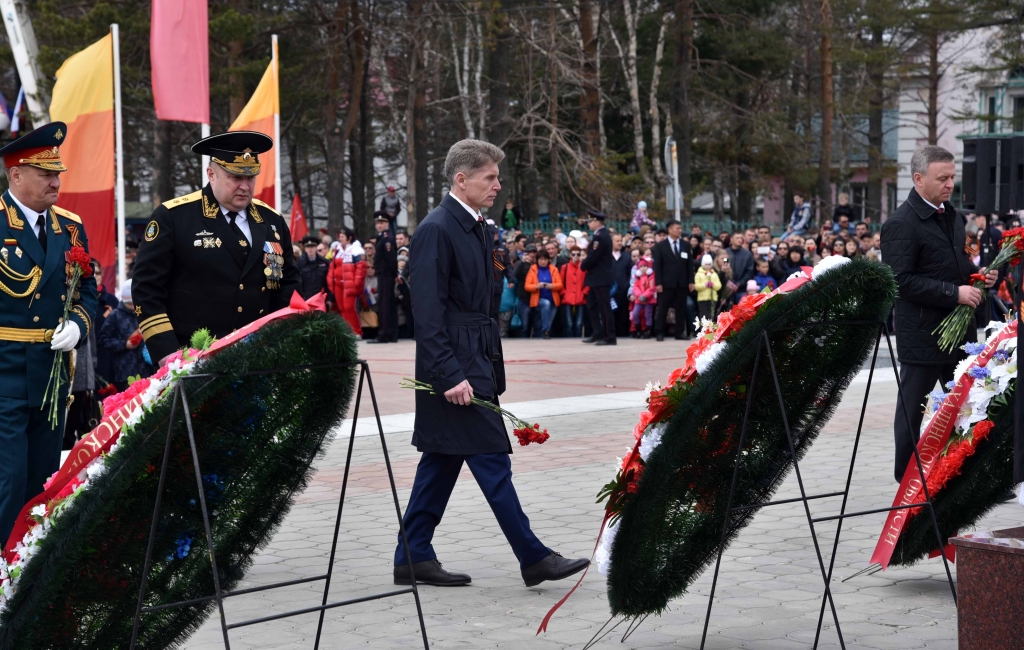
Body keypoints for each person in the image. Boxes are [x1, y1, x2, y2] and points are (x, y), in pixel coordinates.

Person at [397, 139, 588, 588]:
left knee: (441, 462)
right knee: (490, 459)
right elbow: (427, 312)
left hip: (473, 359)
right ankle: (534, 556)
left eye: (498, 177)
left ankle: (412, 554)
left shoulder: (479, 228)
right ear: (461, 179)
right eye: (490, 177)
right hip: (454, 370)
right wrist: (448, 374)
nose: (498, 186)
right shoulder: (437, 228)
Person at [0, 122, 99, 544]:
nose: (56, 182)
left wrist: (78, 325)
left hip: (53, 376)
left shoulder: (70, 227)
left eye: (57, 173)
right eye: (45, 174)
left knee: (43, 481)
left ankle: (28, 567)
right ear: (15, 175)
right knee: (8, 479)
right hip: (4, 375)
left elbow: (88, 291)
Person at [880, 145, 997, 483]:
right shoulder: (900, 224)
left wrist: (983, 272)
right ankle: (906, 478)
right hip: (923, 332)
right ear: (918, 179)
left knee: (967, 404)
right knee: (912, 409)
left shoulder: (954, 216)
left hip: (959, 332)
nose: (950, 184)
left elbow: (968, 253)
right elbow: (899, 281)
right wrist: (953, 293)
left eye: (952, 177)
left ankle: (965, 476)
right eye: (942, 178)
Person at [132, 131, 299, 365]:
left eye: (250, 178)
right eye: (235, 177)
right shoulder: (175, 217)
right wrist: (168, 353)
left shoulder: (271, 220)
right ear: (211, 174)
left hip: (258, 356)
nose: (244, 186)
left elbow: (288, 284)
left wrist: (285, 339)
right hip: (191, 357)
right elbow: (146, 289)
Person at [98, 280, 152, 392]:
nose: (133, 306)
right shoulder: (115, 315)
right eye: (129, 303)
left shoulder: (144, 313)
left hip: (146, 370)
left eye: (134, 303)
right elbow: (103, 340)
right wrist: (124, 344)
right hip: (124, 373)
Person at [652, 219, 694, 341]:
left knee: (681, 308)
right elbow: (657, 266)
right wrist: (658, 283)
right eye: (677, 228)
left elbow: (689, 265)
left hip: (682, 282)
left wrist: (691, 281)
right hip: (666, 283)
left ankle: (679, 332)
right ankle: (659, 332)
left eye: (680, 228)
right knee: (663, 307)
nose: (680, 230)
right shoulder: (660, 246)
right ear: (670, 230)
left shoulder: (685, 245)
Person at [580, 211, 616, 345]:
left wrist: (583, 265)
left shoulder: (600, 236)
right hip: (596, 277)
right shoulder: (599, 235)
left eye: (590, 221)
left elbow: (593, 256)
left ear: (597, 222)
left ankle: (609, 336)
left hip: (601, 277)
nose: (589, 224)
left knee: (604, 308)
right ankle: (597, 332)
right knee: (592, 305)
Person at [369, 211, 399, 343]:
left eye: (382, 222)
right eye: (377, 223)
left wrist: (394, 274)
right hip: (384, 274)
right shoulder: (382, 236)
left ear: (387, 223)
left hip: (386, 275)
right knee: (388, 304)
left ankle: (384, 334)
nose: (379, 225)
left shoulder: (387, 238)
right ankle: (391, 333)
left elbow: (391, 259)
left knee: (385, 305)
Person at [525, 249, 563, 339]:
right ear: (537, 260)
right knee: (546, 304)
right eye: (541, 259)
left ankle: (545, 333)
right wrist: (537, 286)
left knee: (549, 320)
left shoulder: (554, 269)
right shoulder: (533, 269)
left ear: (548, 260)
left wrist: (552, 286)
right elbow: (527, 286)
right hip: (539, 299)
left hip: (553, 299)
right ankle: (545, 331)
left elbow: (560, 284)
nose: (543, 261)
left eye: (545, 259)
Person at [560, 247, 588, 338]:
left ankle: (578, 340)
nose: (576, 256)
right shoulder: (565, 267)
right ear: (570, 255)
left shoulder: (584, 267)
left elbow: (588, 282)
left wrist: (584, 293)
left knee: (579, 323)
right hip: (568, 297)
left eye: (578, 254)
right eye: (573, 254)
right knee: (569, 323)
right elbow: (560, 281)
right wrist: (564, 293)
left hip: (580, 297)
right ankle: (569, 341)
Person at [611, 232, 633, 338]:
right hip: (610, 293)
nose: (619, 243)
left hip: (623, 292)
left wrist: (626, 285)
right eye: (617, 241)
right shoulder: (606, 257)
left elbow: (630, 273)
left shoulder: (626, 257)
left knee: (623, 317)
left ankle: (623, 335)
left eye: (620, 240)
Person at [297, 235, 331, 300]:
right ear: (305, 248)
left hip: (320, 297)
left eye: (312, 246)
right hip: (305, 298)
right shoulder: (299, 263)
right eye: (308, 247)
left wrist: (330, 299)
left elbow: (328, 283)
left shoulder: (324, 262)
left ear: (316, 247)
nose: (310, 249)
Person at [629, 257, 657, 338]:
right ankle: (638, 329)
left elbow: (651, 288)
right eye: (641, 266)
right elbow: (635, 287)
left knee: (647, 314)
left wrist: (644, 295)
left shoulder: (651, 276)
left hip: (649, 300)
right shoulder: (638, 277)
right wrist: (639, 295)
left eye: (645, 266)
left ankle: (647, 331)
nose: (643, 268)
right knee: (635, 313)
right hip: (639, 299)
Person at [725, 232, 755, 304]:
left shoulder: (747, 254)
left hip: (742, 289)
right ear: (731, 240)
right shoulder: (725, 252)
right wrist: (728, 282)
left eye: (741, 238)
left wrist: (739, 284)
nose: (739, 240)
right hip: (726, 288)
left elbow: (749, 271)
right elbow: (722, 267)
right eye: (737, 238)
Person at [694, 254, 721, 320]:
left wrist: (713, 285)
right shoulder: (698, 274)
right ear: (702, 264)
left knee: (711, 315)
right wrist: (705, 285)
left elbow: (719, 285)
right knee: (703, 315)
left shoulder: (714, 274)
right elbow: (696, 286)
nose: (708, 266)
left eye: (709, 264)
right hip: (702, 299)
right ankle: (703, 329)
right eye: (706, 264)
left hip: (713, 298)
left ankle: (711, 329)